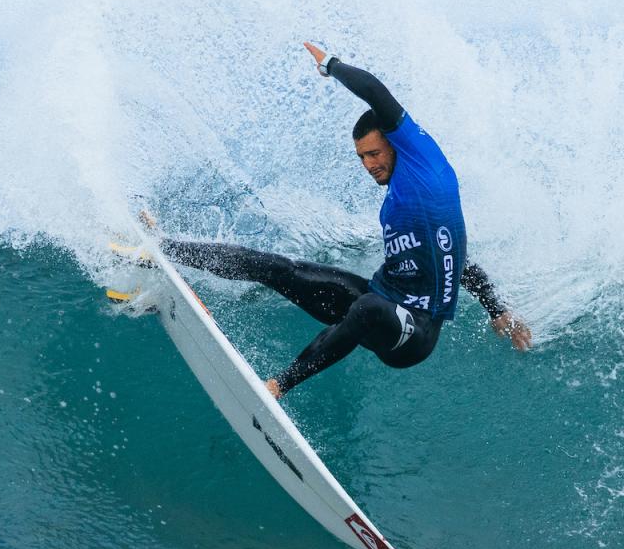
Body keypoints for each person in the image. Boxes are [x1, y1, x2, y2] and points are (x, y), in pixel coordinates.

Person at [157, 42, 531, 400]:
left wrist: (330, 65)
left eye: (373, 153)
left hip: (414, 333)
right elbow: (454, 260)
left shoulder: (424, 164)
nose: (369, 165)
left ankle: (277, 386)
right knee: (278, 268)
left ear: (394, 142)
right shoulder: (397, 199)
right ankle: (162, 248)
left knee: (367, 309)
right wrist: (497, 311)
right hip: (379, 298)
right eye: (361, 158)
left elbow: (373, 91)